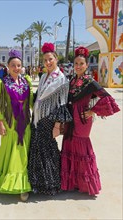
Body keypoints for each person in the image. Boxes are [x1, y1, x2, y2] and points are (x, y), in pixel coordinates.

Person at [61, 46, 120, 196]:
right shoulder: (71, 81)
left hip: (82, 120)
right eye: (76, 64)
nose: (78, 66)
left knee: (81, 148)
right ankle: (72, 182)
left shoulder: (91, 82)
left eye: (81, 64)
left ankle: (86, 185)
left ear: (87, 65)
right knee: (70, 146)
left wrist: (93, 110)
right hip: (70, 119)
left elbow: (108, 98)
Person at [0, 49, 33, 202]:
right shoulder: (2, 83)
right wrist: (0, 123)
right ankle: (8, 181)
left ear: (22, 67)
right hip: (10, 123)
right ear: (8, 67)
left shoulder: (26, 81)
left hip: (25, 123)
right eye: (13, 65)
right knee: (10, 151)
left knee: (23, 153)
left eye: (19, 66)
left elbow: (31, 102)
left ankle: (23, 185)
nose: (16, 68)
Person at [28, 42, 72, 195]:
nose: (47, 62)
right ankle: (37, 181)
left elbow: (62, 103)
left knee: (48, 149)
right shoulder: (44, 76)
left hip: (49, 120)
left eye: (50, 59)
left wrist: (57, 126)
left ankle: (50, 183)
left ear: (56, 59)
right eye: (45, 60)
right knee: (37, 148)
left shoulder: (61, 79)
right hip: (38, 118)